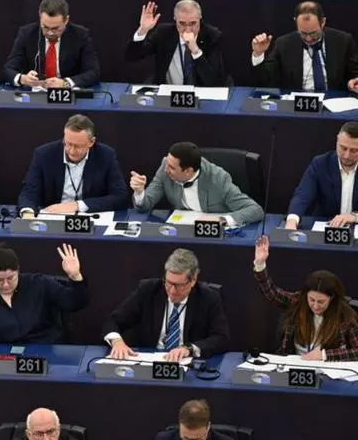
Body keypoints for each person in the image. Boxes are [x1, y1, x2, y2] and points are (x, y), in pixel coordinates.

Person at [0, 243, 88, 359]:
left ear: (18, 270)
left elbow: (74, 302)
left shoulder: (40, 284)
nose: (6, 285)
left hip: (46, 350)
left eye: (10, 278)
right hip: (3, 356)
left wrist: (75, 277)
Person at [103, 249, 231, 361]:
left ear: (193, 280)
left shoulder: (208, 298)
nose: (172, 291)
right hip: (149, 359)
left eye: (179, 285)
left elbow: (221, 338)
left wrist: (189, 349)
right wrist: (117, 342)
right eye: (169, 283)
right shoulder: (148, 291)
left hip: (187, 364)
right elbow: (113, 320)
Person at [253, 236, 358, 361]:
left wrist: (324, 355)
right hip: (295, 362)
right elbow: (272, 293)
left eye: (321, 302)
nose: (315, 306)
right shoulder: (298, 302)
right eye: (311, 300)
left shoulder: (345, 315)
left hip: (327, 366)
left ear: (332, 298)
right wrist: (260, 264)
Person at [17, 114, 129, 217]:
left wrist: (78, 205)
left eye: (78, 146)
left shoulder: (106, 155)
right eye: (68, 144)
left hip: (91, 218)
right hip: (53, 217)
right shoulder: (44, 154)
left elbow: (120, 196)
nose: (71, 151)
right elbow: (29, 191)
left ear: (91, 142)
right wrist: (27, 212)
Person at [129, 142, 264, 227]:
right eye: (167, 164)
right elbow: (145, 206)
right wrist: (140, 192)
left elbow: (255, 210)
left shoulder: (218, 179)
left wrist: (222, 220)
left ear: (188, 171)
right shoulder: (166, 167)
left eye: (172, 167)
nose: (166, 169)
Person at [250, 1, 358, 92]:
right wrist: (258, 54)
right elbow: (267, 81)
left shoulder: (343, 41)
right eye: (303, 33)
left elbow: (354, 74)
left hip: (333, 102)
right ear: (295, 22)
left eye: (313, 33)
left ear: (323, 22)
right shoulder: (284, 44)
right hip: (297, 104)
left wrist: (354, 82)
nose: (309, 39)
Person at [3, 0, 100, 89]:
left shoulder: (80, 35)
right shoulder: (27, 33)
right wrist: (22, 79)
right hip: (35, 92)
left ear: (66, 20)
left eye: (55, 28)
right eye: (45, 27)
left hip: (66, 94)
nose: (50, 33)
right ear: (40, 18)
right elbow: (8, 69)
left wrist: (65, 83)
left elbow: (93, 72)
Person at [125, 0, 226, 86]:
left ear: (200, 18)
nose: (188, 29)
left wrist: (195, 51)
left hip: (202, 95)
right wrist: (143, 30)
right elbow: (132, 56)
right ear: (175, 19)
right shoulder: (164, 33)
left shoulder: (212, 36)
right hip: (168, 93)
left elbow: (214, 81)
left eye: (193, 23)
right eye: (182, 23)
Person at [285, 121, 358, 229]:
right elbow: (303, 195)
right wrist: (292, 221)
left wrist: (354, 216)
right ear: (337, 141)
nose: (347, 155)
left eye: (354, 151)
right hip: (326, 225)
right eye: (343, 148)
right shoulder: (320, 164)